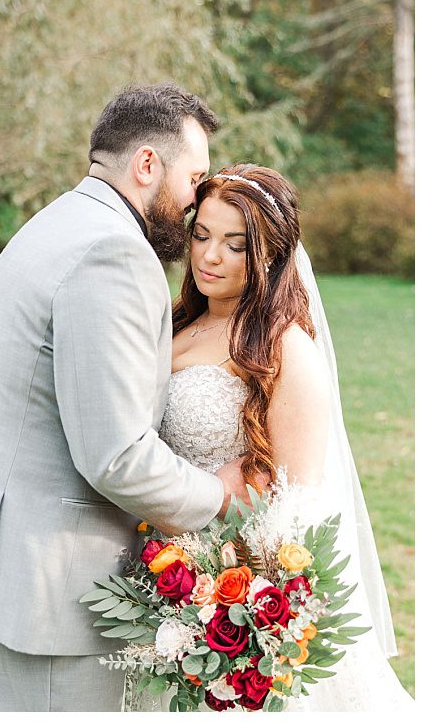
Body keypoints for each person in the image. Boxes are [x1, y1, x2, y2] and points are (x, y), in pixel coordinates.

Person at [0, 83, 253, 712]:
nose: (194, 202)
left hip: (6, 563)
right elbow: (115, 455)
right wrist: (221, 495)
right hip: (54, 591)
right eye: (194, 178)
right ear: (147, 166)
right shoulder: (114, 253)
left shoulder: (57, 221)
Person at [141, 163, 413, 712]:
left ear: (267, 254)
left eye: (233, 244)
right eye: (202, 235)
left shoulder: (285, 351)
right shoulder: (170, 325)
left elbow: (295, 493)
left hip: (226, 588)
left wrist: (226, 598)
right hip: (157, 575)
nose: (209, 256)